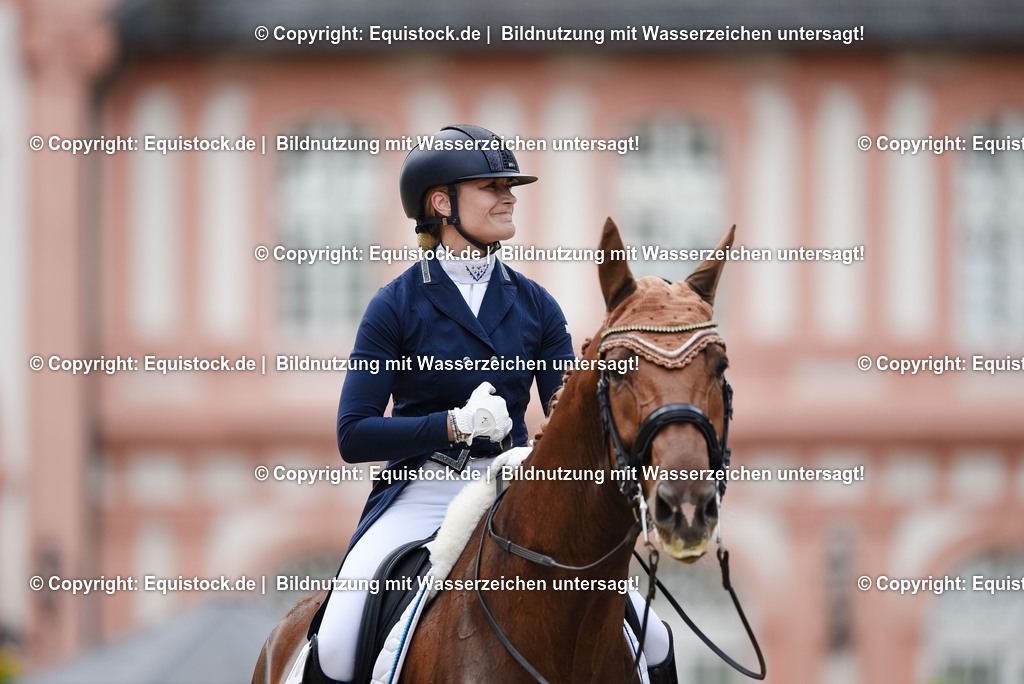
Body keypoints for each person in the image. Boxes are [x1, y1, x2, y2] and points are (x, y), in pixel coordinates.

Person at [305, 124, 676, 684]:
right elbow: (353, 434)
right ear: (441, 202)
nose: (508, 196)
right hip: (422, 492)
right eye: (491, 185)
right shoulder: (395, 305)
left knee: (653, 636)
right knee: (335, 640)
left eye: (511, 186)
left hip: (513, 488)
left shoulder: (535, 305)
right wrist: (450, 426)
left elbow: (563, 415)